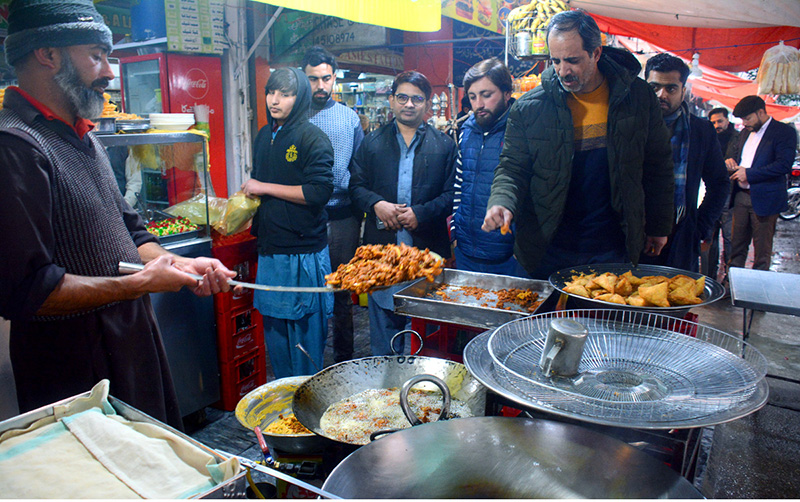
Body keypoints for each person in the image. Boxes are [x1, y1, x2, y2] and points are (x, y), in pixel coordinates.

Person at [0, 0, 236, 429]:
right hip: (73, 366)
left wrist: (180, 263)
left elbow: (131, 230)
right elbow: (30, 290)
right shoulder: (15, 147)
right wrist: (139, 285)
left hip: (129, 343)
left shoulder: (83, 137)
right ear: (47, 55)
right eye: (96, 54)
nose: (110, 71)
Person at [483, 10, 675, 279]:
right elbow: (512, 167)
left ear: (596, 53)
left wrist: (659, 225)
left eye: (572, 60)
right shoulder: (529, 107)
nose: (563, 71)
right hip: (548, 245)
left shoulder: (638, 98)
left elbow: (658, 166)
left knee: (602, 320)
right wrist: (501, 202)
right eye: (556, 60)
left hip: (613, 244)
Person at [349, 70, 457, 355]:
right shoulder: (371, 143)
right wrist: (376, 204)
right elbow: (355, 186)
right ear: (392, 101)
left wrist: (420, 213)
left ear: (427, 103)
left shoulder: (444, 145)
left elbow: (450, 196)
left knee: (427, 331)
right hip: (383, 252)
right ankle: (385, 390)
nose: (409, 104)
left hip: (427, 253)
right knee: (383, 332)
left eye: (417, 99)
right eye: (403, 97)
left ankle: (424, 391)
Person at [242, 67, 334, 378]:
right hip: (271, 249)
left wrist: (263, 187)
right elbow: (260, 186)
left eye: (285, 93)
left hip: (303, 252)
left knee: (306, 337)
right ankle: (284, 412)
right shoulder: (264, 135)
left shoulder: (313, 138)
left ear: (301, 97)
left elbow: (319, 192)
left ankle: (309, 411)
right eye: (271, 92)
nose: (275, 100)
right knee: (276, 337)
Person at [301, 46, 364, 363]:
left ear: (335, 78)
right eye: (313, 79)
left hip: (342, 218)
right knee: (309, 291)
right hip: (303, 214)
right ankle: (310, 358)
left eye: (326, 78)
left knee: (342, 291)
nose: (320, 86)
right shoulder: (294, 115)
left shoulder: (349, 118)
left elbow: (359, 169)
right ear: (304, 78)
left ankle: (344, 358)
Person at [639, 53, 729, 272]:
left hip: (679, 237)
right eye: (654, 87)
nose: (661, 95)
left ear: (683, 91)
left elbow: (719, 183)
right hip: (631, 235)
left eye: (670, 89)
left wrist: (699, 228)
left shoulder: (700, 131)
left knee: (675, 300)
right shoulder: (630, 125)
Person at [451, 58, 527, 277]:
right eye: (473, 97)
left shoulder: (520, 131)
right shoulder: (466, 132)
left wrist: (520, 246)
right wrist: (456, 233)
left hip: (509, 256)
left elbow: (531, 191)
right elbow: (459, 186)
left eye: (486, 95)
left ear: (506, 93)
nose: (479, 104)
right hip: (467, 252)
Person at [727, 95, 797, 271]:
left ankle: (757, 292)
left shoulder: (783, 132)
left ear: (761, 112)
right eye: (742, 119)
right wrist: (731, 162)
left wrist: (749, 174)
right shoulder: (745, 132)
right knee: (736, 247)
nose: (744, 123)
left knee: (762, 253)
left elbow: (783, 165)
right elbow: (739, 157)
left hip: (766, 199)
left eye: (747, 118)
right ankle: (732, 286)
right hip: (741, 196)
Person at [705, 107, 741, 281]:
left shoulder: (739, 137)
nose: (717, 125)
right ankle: (708, 277)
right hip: (711, 192)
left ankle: (730, 280)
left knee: (730, 237)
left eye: (720, 121)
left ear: (727, 120)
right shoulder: (709, 137)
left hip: (732, 193)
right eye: (713, 122)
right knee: (709, 235)